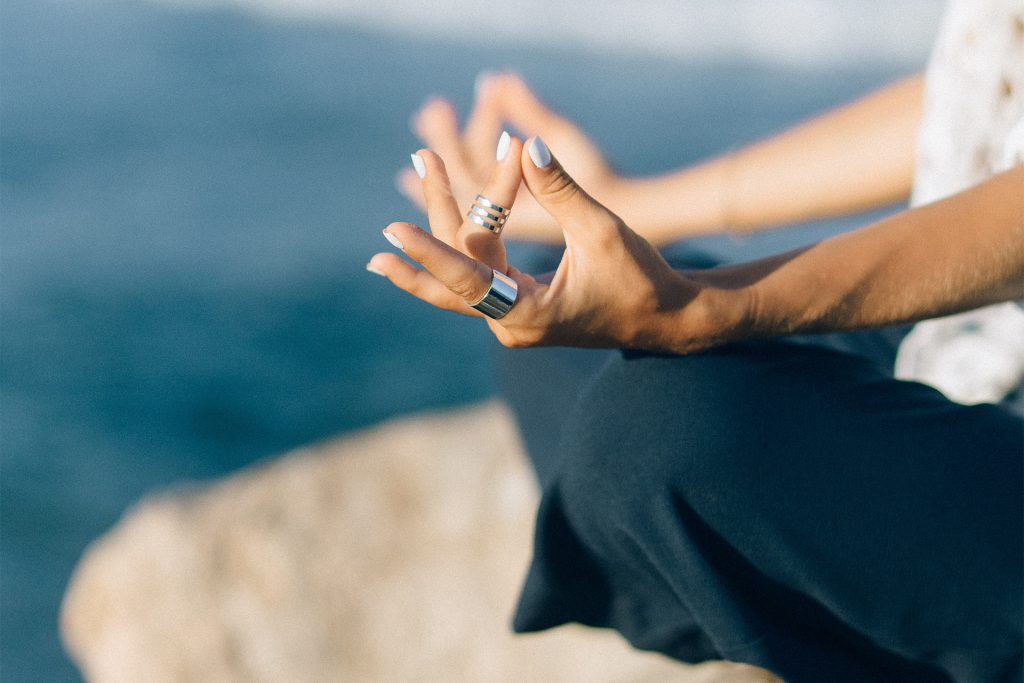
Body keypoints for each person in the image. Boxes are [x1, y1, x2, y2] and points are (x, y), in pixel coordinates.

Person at [367, 1, 1024, 680]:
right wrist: (637, 204)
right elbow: (975, 87)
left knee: (659, 432)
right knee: (561, 329)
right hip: (977, 340)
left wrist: (708, 307)